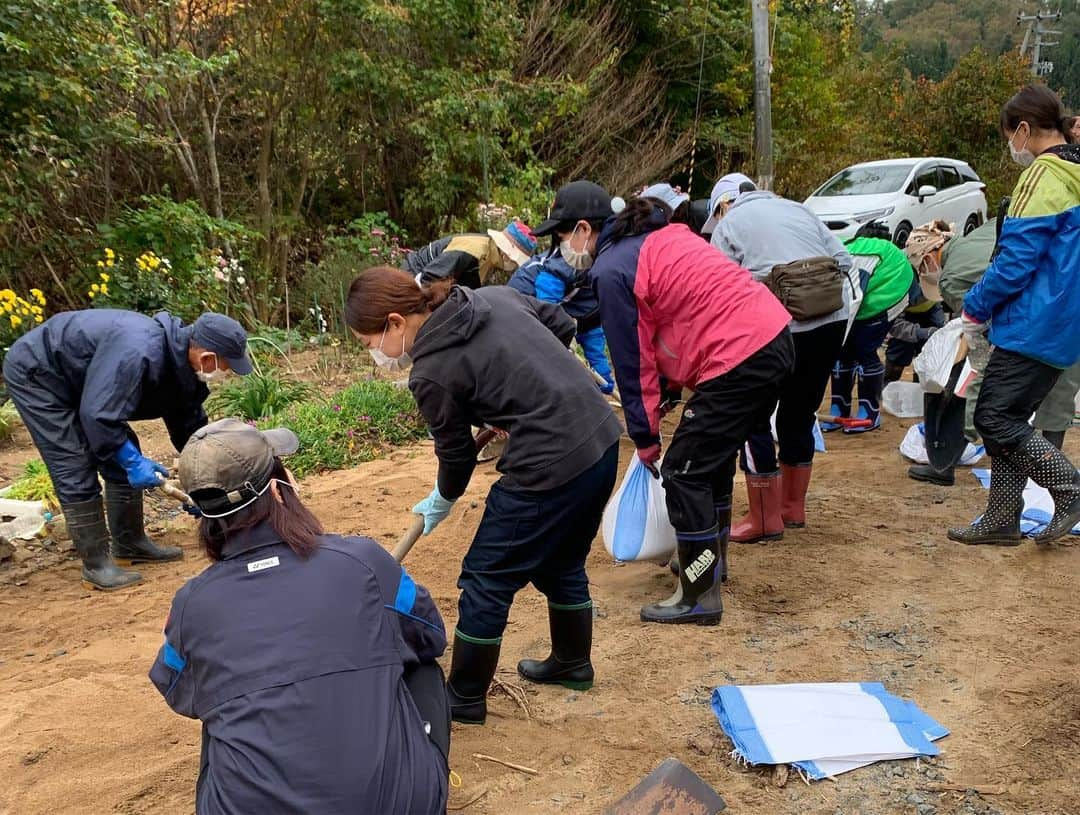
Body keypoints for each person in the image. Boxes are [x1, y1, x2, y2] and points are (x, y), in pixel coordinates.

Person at [345, 266, 620, 724]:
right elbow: (562, 324)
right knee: (562, 560)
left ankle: (465, 697)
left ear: (395, 322)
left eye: (369, 342)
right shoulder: (492, 297)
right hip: (600, 442)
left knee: (486, 577)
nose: (375, 352)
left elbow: (455, 458)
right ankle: (573, 661)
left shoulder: (431, 371)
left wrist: (442, 499)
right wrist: (526, 387)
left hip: (548, 465)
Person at [149, 419, 450, 814]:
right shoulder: (363, 562)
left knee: (218, 709)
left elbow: (177, 689)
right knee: (421, 668)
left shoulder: (191, 604)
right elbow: (429, 634)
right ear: (278, 489)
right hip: (391, 805)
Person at [544, 184, 794, 625]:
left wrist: (644, 436)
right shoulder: (662, 237)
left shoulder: (613, 269)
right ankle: (709, 565)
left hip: (738, 354)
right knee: (709, 462)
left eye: (561, 236)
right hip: (772, 338)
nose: (561, 248)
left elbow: (633, 360)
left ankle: (699, 595)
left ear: (583, 229)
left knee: (683, 470)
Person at [3, 310, 252, 591]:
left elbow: (189, 427)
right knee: (74, 462)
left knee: (120, 446)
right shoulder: (139, 351)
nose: (227, 374)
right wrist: (133, 462)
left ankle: (129, 544)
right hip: (41, 372)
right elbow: (99, 416)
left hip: (84, 383)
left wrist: (205, 485)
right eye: (228, 366)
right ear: (208, 358)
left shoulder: (186, 371)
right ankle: (96, 565)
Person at [949, 84, 1080, 546]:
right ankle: (1003, 517)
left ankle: (1068, 487)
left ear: (1023, 130)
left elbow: (1015, 261)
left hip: (1032, 322)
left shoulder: (1043, 177)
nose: (1012, 147)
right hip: (1065, 323)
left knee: (993, 417)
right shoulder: (1075, 171)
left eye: (1011, 135)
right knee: (1011, 417)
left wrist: (975, 305)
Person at [710, 182, 856, 542]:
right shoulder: (799, 209)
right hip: (830, 321)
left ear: (724, 205)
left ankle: (763, 517)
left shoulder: (731, 223)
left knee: (753, 417)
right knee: (800, 413)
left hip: (774, 329)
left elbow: (718, 283)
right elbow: (845, 261)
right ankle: (793, 507)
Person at [910, 216, 1080, 486]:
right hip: (1068, 300)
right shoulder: (986, 228)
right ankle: (1051, 488)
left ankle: (946, 466)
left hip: (1029, 321)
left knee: (990, 399)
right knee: (1061, 390)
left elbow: (977, 331)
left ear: (929, 258)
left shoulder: (952, 278)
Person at [824, 221, 917, 434]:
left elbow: (853, 293)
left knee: (864, 349)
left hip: (885, 296)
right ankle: (841, 408)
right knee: (844, 352)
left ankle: (869, 411)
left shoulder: (864, 255)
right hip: (865, 298)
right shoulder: (850, 251)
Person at [508, 227, 615, 394]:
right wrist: (559, 341)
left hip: (539, 312)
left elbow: (591, 325)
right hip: (517, 308)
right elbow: (546, 306)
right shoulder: (575, 260)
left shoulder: (602, 284)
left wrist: (600, 368)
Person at [883, 221, 951, 384]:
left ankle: (922, 391)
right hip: (905, 314)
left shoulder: (945, 263)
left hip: (932, 308)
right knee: (899, 355)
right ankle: (886, 388)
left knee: (931, 355)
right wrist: (922, 332)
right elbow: (894, 324)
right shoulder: (899, 277)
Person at [403, 220, 536, 289]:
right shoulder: (473, 249)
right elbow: (429, 277)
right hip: (413, 276)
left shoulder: (490, 257)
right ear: (507, 255)